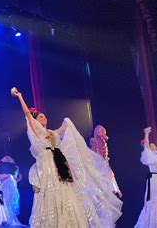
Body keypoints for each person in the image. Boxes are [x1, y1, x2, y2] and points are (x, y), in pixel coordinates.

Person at [11, 87, 122, 227]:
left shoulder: (51, 132)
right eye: (40, 116)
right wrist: (20, 96)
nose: (44, 117)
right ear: (35, 121)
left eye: (44, 116)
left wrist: (67, 122)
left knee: (65, 190)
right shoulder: (36, 131)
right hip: (47, 164)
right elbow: (27, 114)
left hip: (59, 163)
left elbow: (62, 130)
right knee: (51, 191)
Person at [90, 125, 122, 197]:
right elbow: (93, 153)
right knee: (101, 183)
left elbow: (104, 155)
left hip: (104, 164)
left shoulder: (103, 142)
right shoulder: (94, 141)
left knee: (109, 184)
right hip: (98, 164)